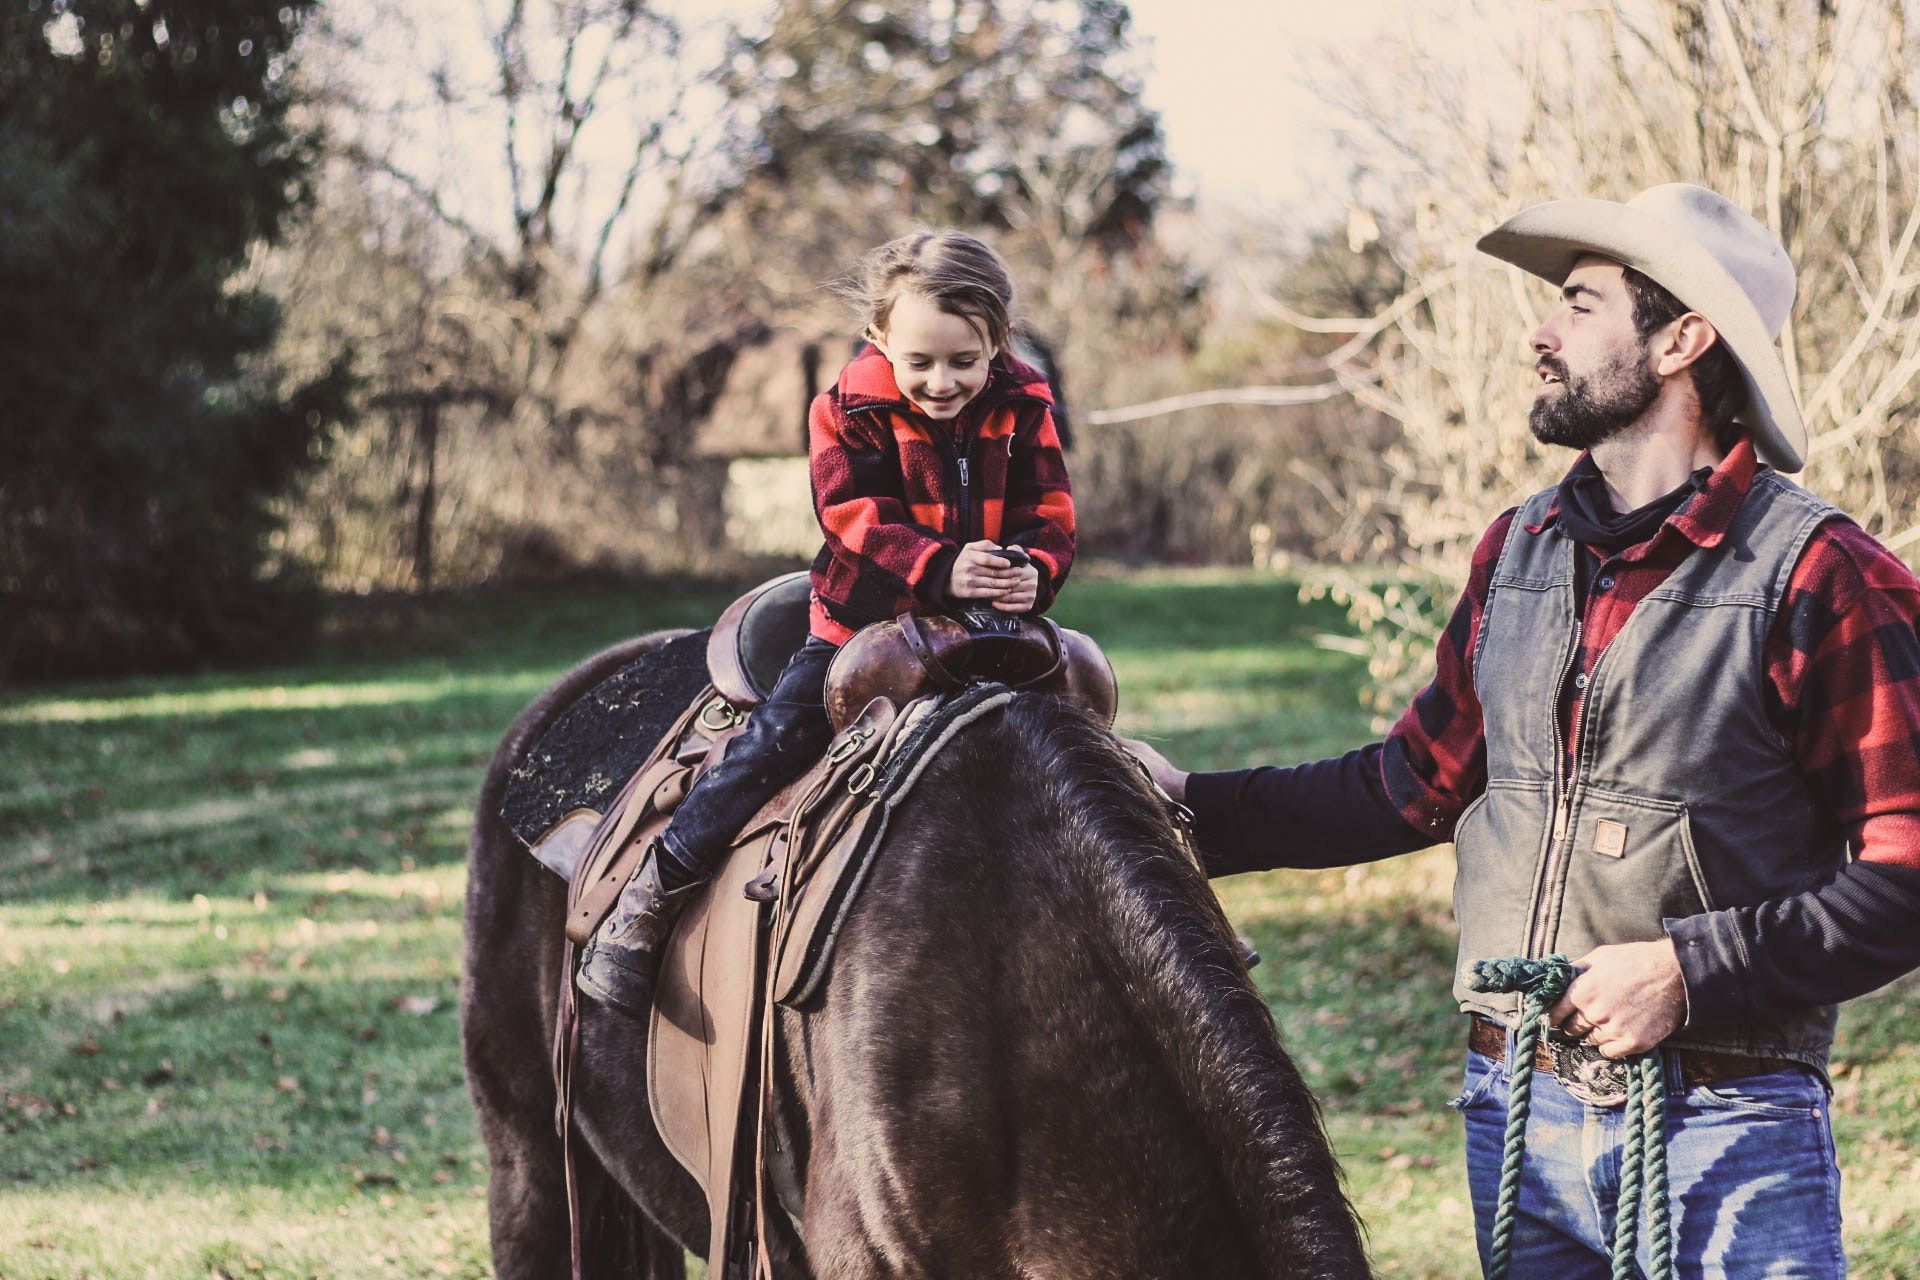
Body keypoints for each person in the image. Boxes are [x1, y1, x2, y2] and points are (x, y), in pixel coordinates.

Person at [1130, 184, 1920, 1276]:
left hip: (1723, 1128)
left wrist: (1693, 970)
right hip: (1517, 1109)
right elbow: (1413, 781)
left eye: (1582, 305)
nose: (1540, 333)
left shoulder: (1821, 575)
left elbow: (1906, 873)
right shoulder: (1521, 549)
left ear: (1683, 336)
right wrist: (1185, 805)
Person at [578, 229, 1076, 1017]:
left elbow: (1049, 510)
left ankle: (1146, 900)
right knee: (777, 741)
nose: (941, 382)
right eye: (920, 362)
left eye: (963, 362)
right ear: (881, 339)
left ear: (998, 344)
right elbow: (852, 518)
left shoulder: (1026, 406)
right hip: (865, 626)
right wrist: (940, 567)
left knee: (1082, 728)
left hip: (983, 630)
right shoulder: (847, 410)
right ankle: (654, 890)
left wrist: (1031, 569)